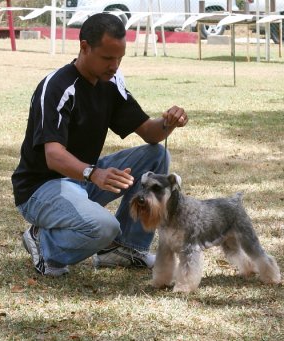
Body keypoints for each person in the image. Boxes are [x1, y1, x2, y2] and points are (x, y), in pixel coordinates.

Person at [11, 13, 188, 277]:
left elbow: (150, 134)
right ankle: (44, 243)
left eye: (119, 58)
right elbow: (53, 155)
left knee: (156, 157)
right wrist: (94, 173)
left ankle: (125, 249)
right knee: (105, 227)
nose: (115, 65)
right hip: (42, 188)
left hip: (83, 179)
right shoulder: (58, 87)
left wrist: (168, 122)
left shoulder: (110, 83)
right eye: (107, 58)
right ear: (84, 47)